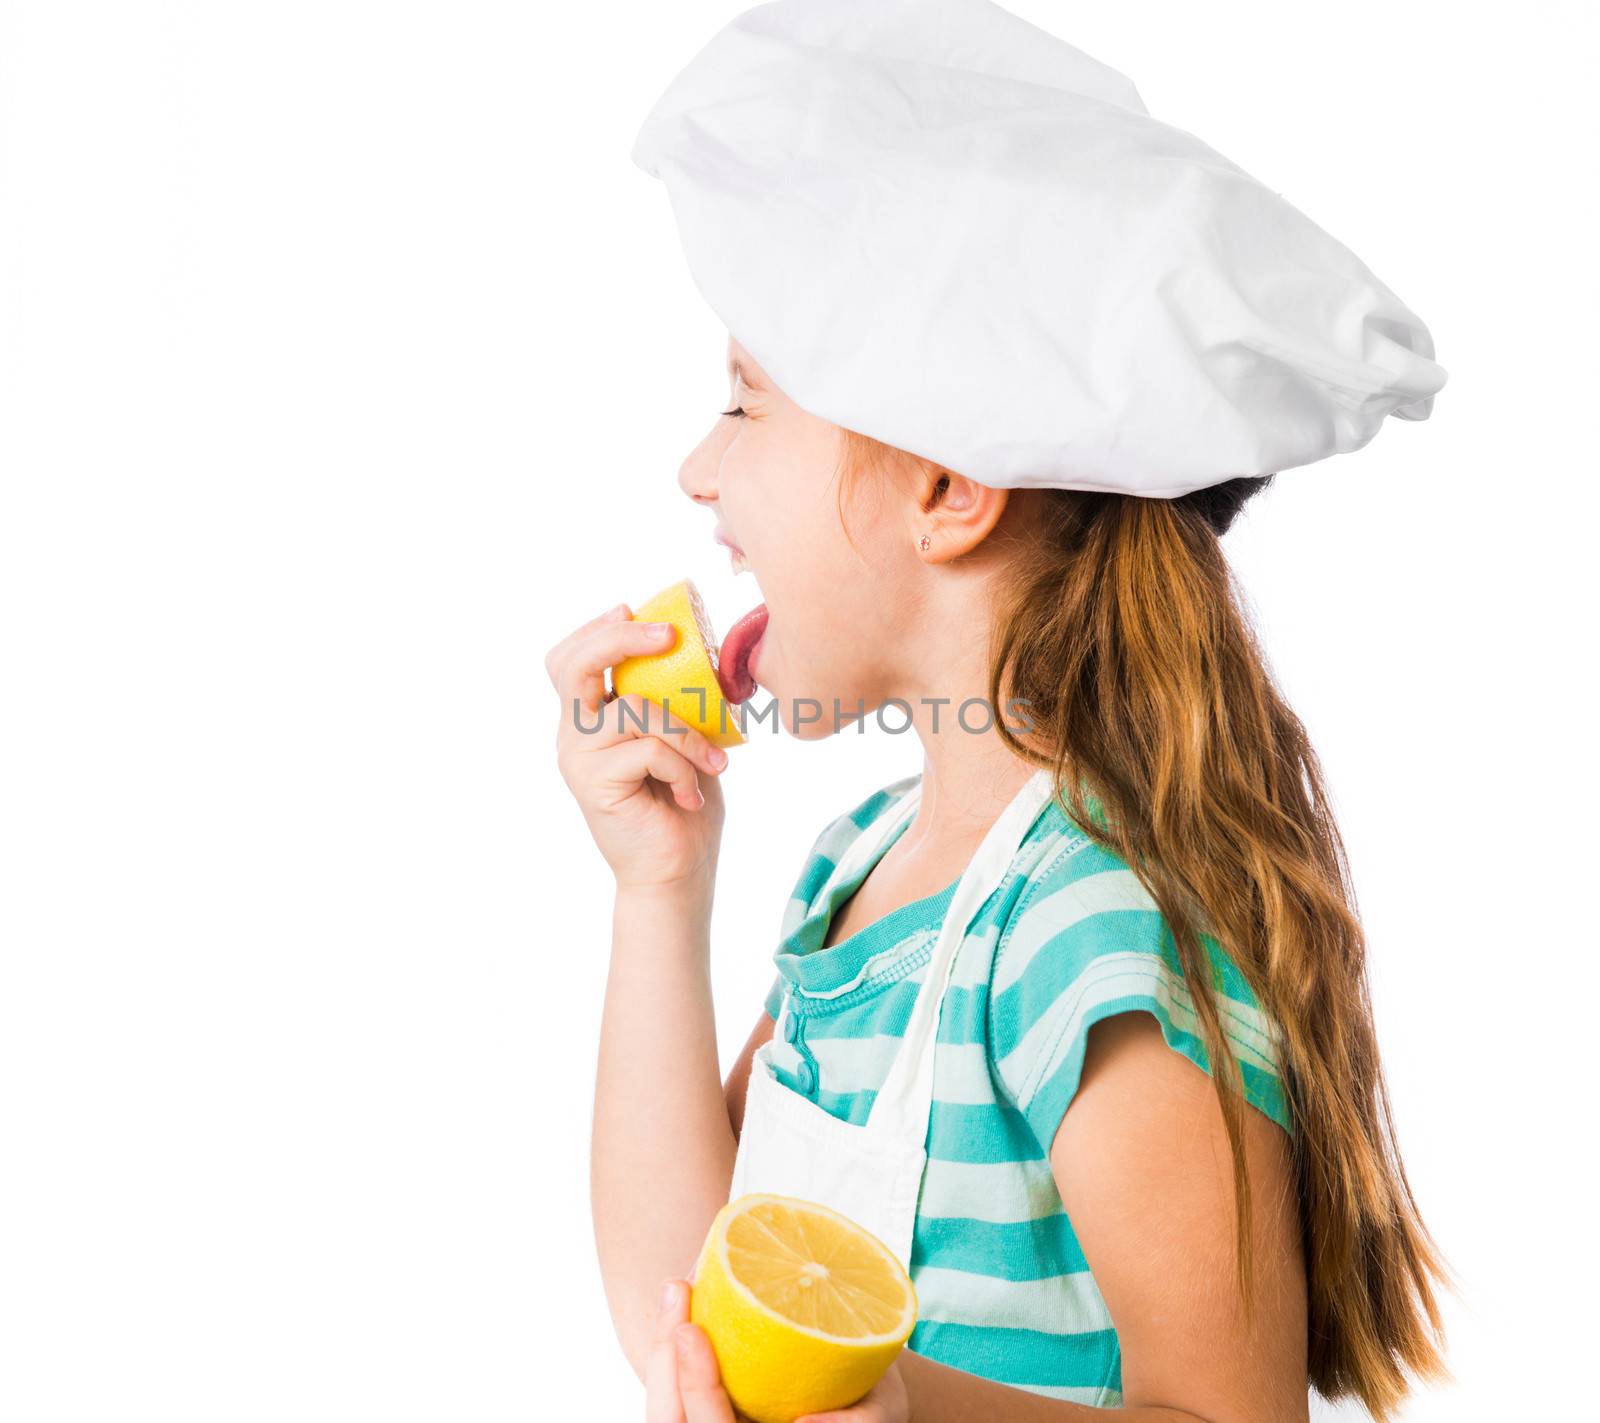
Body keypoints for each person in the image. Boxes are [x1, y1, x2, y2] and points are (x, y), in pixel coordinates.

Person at [548, 3, 1449, 1418]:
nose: (697, 474)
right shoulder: (861, 872)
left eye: (745, 404)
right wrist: (659, 893)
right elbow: (687, 1307)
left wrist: (912, 1412)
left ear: (948, 492)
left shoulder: (1093, 939)